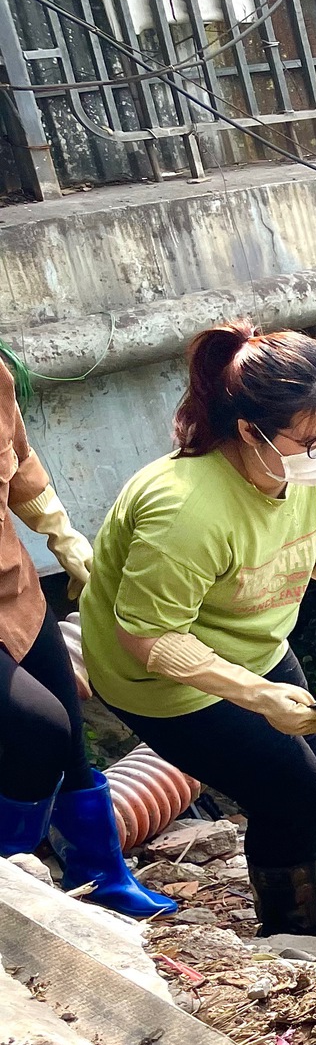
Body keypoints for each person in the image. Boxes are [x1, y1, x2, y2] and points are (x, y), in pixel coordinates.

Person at [82, 322, 316, 939]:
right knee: (285, 787)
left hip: (256, 642)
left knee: (305, 775)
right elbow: (149, 638)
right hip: (159, 678)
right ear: (248, 431)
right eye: (313, 440)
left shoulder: (306, 473)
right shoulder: (185, 509)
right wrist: (258, 697)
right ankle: (295, 932)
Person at [0, 352, 175, 918]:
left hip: (13, 593)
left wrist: (64, 538)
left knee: (71, 736)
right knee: (38, 731)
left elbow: (19, 461)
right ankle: (15, 895)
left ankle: (103, 879)